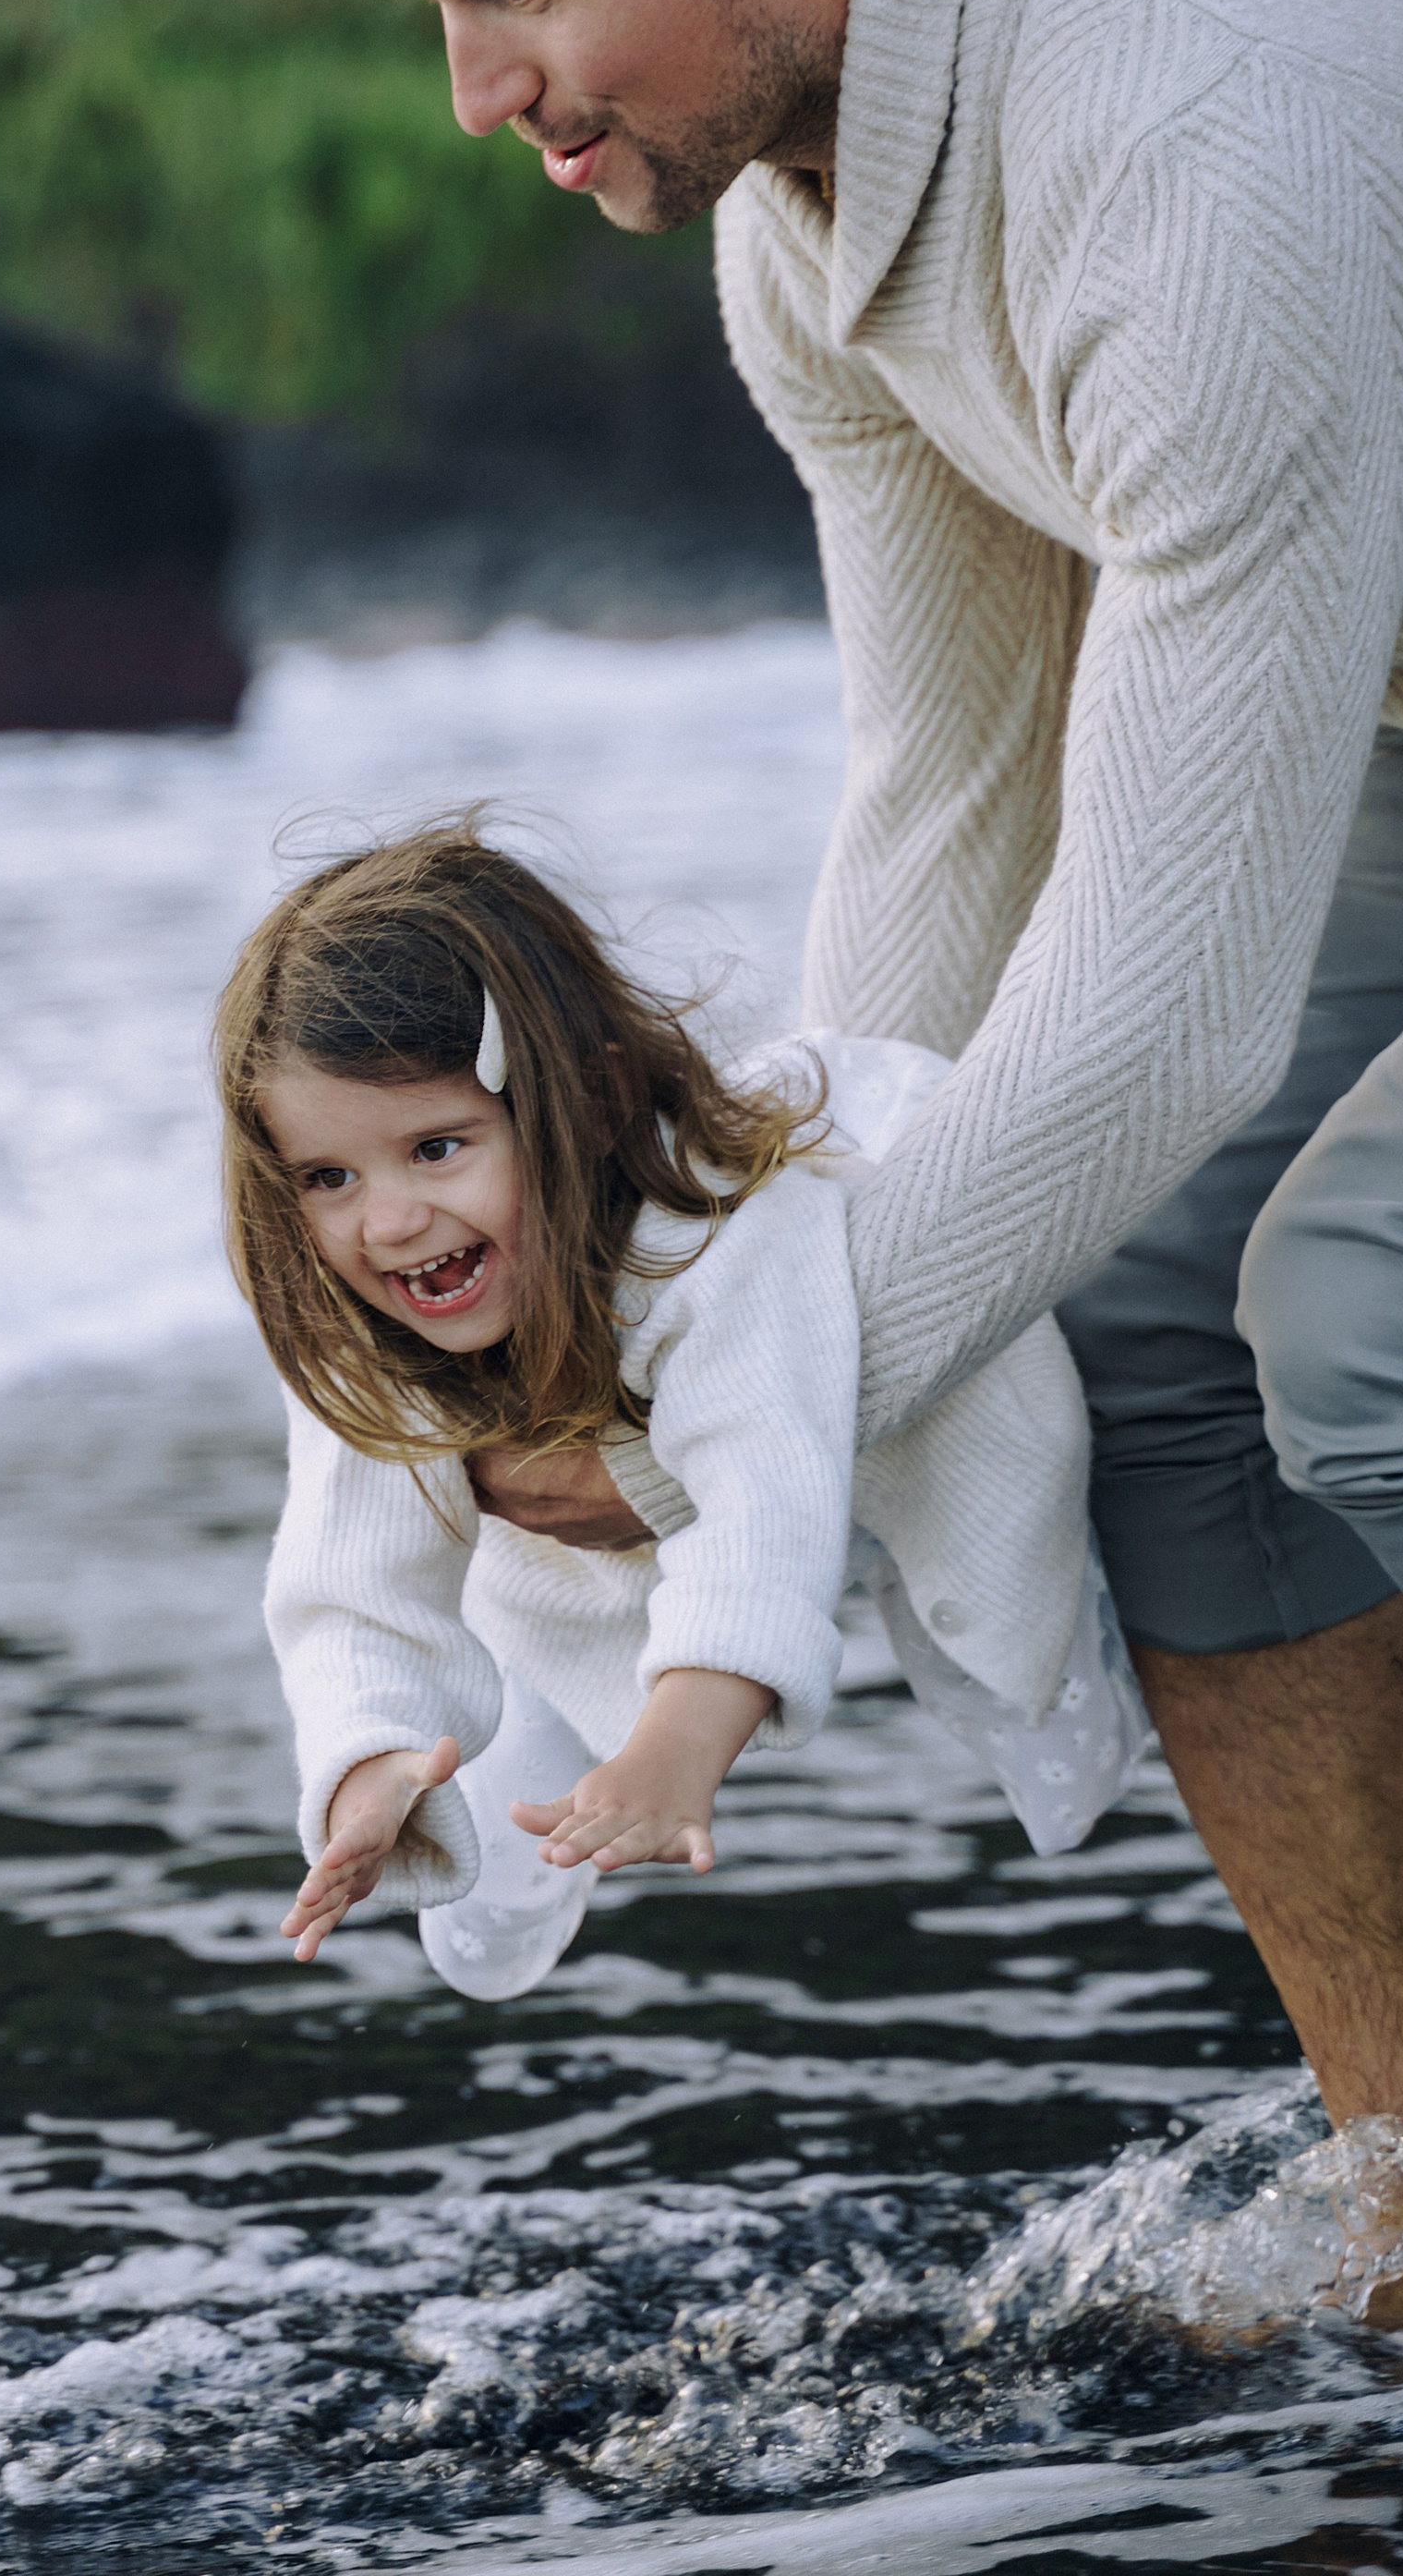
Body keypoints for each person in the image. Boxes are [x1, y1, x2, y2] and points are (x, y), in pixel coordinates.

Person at [261, 0, 1403, 2122]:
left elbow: (1153, 1022)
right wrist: (679, 1283)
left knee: (1359, 1330)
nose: (475, 87)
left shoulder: (1172, 145)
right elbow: (944, 824)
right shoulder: (804, 213)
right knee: (1130, 1321)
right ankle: (1401, 2177)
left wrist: (689, 1437)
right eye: (439, 6)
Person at [217, 824, 1143, 2000]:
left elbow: (762, 1499)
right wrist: (370, 1768)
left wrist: (675, 1750)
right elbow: (348, 1582)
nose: (386, 1221)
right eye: (328, 1177)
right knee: (511, 1748)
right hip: (575, 1546)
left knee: (994, 1601)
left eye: (436, 1147)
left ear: (591, 1102)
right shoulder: (369, 1309)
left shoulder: (718, 1229)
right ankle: (519, 1796)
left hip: (907, 1419)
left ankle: (1034, 1676)